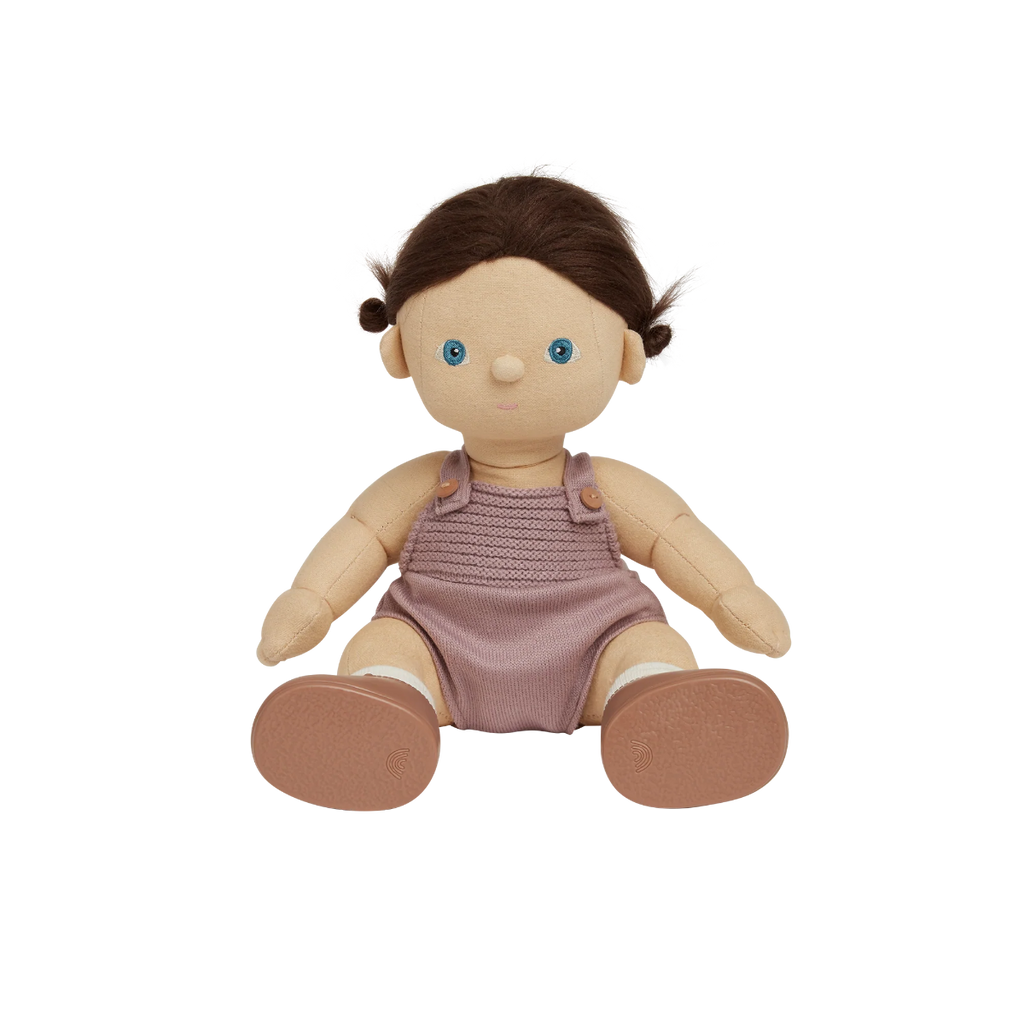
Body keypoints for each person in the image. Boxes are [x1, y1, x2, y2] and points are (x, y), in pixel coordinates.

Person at [250, 164, 793, 813]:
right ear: (399, 355)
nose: (507, 370)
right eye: (455, 352)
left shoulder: (605, 484)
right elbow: (360, 538)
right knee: (383, 647)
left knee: (651, 648)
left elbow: (677, 539)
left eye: (560, 351)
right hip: (437, 648)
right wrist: (308, 603)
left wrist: (735, 598)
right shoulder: (420, 481)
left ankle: (654, 702)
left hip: (592, 648)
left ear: (626, 356)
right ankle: (387, 702)